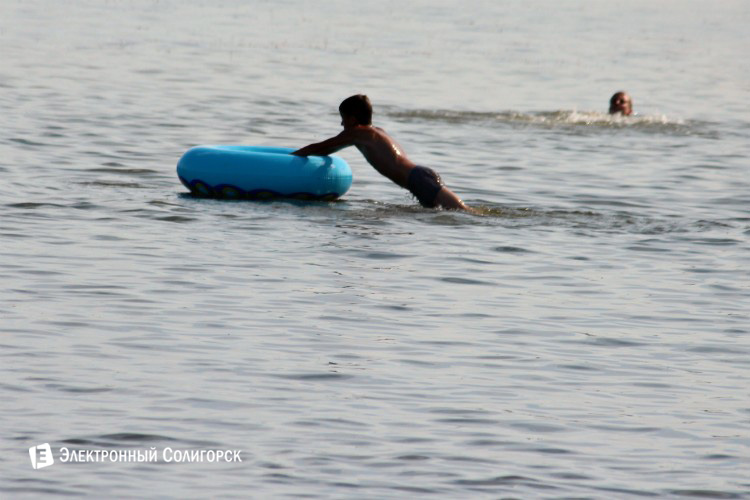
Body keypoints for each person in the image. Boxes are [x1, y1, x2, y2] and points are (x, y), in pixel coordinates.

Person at [293, 95, 470, 211]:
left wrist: (292, 157)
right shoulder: (376, 131)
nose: (341, 124)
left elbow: (322, 147)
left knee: (466, 214)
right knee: (452, 214)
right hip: (420, 178)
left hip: (419, 179)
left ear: (352, 119)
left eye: (343, 119)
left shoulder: (358, 132)